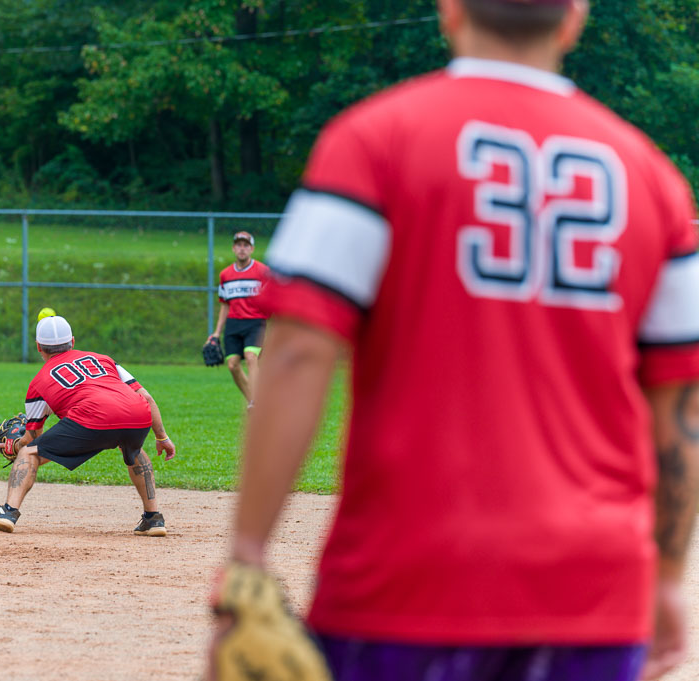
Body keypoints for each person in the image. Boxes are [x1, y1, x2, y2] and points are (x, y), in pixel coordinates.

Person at [211, 1, 699, 680]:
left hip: (405, 580)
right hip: (594, 592)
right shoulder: (656, 182)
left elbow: (296, 351)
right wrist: (669, 573)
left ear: (450, 10)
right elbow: (681, 406)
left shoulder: (372, 140)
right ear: (574, 20)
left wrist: (248, 554)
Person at [0, 314, 176, 536]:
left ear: (39, 347)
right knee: (132, 449)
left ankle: (8, 512)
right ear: (73, 342)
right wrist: (162, 437)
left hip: (93, 417)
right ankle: (153, 518)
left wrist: (15, 447)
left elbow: (33, 440)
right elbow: (146, 397)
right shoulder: (103, 359)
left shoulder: (39, 383)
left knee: (30, 453)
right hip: (137, 413)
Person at [207, 231, 270, 406]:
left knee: (251, 357)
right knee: (233, 365)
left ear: (252, 249)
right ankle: (253, 400)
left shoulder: (263, 272)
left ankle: (256, 402)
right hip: (234, 324)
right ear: (234, 248)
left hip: (255, 322)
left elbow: (271, 300)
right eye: (239, 245)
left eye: (246, 245)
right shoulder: (225, 275)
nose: (242, 249)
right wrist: (217, 332)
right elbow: (225, 304)